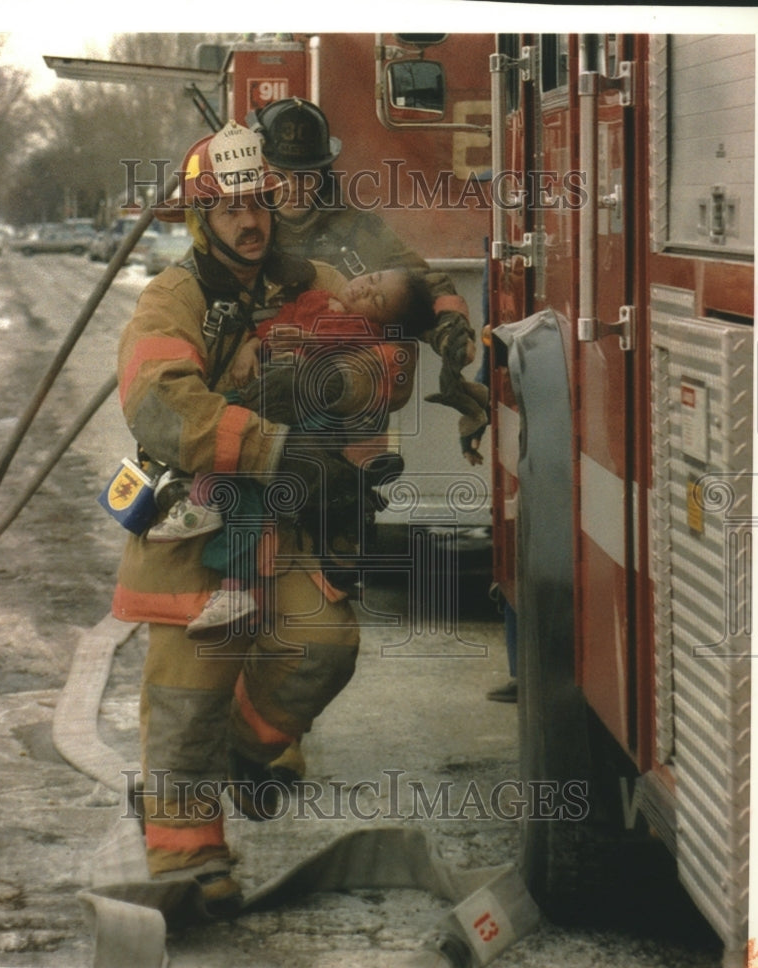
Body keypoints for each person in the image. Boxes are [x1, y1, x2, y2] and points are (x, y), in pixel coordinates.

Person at [112, 121, 413, 909]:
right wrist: (270, 444)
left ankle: (246, 755)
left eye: (258, 203)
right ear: (199, 218)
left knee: (323, 644)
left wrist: (322, 386)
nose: (249, 221)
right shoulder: (173, 298)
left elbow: (388, 362)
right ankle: (185, 864)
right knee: (187, 695)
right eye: (228, 208)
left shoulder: (307, 281)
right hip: (197, 529)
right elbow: (157, 403)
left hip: (280, 531)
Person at [146, 268, 435, 637]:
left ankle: (209, 516)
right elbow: (277, 326)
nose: (365, 289)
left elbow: (340, 352)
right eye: (373, 280)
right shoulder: (313, 297)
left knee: (243, 458)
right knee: (230, 439)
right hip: (265, 398)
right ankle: (228, 574)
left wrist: (305, 345)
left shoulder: (363, 329)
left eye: (377, 300)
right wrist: (252, 345)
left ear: (384, 321)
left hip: (302, 418)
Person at [246, 98, 482, 402]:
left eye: (306, 176)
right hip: (254, 374)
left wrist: (450, 330)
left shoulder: (357, 229)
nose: (294, 186)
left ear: (324, 172)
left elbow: (420, 284)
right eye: (280, 175)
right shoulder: (244, 225)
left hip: (335, 399)